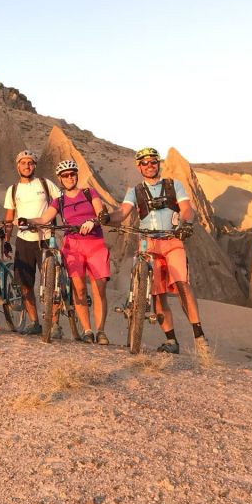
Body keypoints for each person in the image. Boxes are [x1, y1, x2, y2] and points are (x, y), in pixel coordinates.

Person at [108, 147, 207, 354]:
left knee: (182, 284)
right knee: (157, 295)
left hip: (172, 240)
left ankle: (199, 336)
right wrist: (108, 218)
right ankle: (171, 341)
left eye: (153, 162)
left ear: (158, 164)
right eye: (145, 163)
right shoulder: (134, 191)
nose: (150, 166)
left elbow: (186, 208)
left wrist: (186, 222)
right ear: (139, 166)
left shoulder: (173, 186)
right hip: (148, 243)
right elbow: (122, 213)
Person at [28, 160, 111, 344]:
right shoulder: (60, 201)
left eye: (72, 174)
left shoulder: (89, 193)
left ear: (76, 175)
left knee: (100, 288)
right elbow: (44, 218)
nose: (69, 177)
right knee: (79, 289)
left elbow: (101, 213)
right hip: (72, 247)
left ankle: (101, 330)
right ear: (60, 179)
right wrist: (27, 220)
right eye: (65, 175)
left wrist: (93, 221)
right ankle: (88, 330)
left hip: (95, 244)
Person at [3, 150, 61, 335]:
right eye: (23, 163)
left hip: (45, 238)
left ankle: (54, 325)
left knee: (52, 282)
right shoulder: (12, 190)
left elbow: (60, 201)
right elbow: (9, 217)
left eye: (30, 163)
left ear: (34, 165)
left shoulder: (45, 184)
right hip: (24, 240)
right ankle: (35, 322)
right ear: (17, 166)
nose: (27, 166)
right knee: (25, 284)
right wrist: (6, 240)